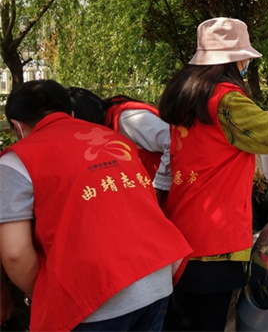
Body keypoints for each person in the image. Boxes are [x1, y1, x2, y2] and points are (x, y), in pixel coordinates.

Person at [158, 17, 268, 331]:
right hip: (215, 242)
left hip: (183, 227)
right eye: (246, 58)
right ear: (235, 60)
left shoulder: (189, 95)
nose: (247, 64)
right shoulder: (227, 99)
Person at [0, 79, 192, 331]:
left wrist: (45, 291)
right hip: (156, 275)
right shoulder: (115, 139)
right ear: (70, 113)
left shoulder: (17, 161)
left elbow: (15, 253)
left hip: (96, 294)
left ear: (17, 126)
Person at [67, 87, 172, 207]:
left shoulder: (128, 120)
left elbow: (172, 140)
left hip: (171, 195)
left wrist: (158, 187)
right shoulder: (109, 123)